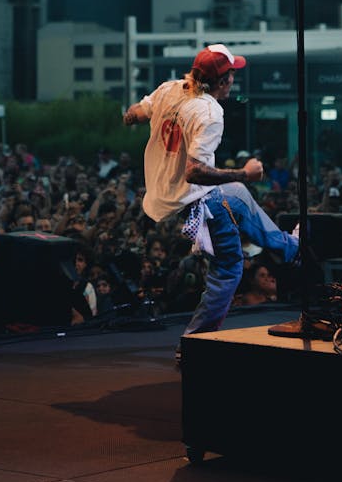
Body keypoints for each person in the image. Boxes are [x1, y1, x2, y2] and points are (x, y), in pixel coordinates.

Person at [123, 43, 300, 344]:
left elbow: (133, 114)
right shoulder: (209, 111)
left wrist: (143, 117)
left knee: (238, 194)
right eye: (232, 74)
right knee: (229, 268)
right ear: (222, 81)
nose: (234, 80)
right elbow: (194, 171)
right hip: (195, 200)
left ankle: (287, 247)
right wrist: (247, 172)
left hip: (163, 198)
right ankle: (195, 342)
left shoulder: (169, 89)